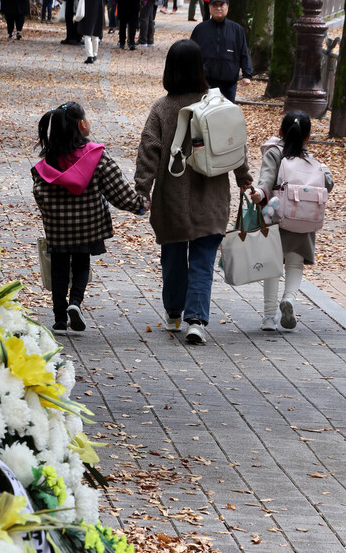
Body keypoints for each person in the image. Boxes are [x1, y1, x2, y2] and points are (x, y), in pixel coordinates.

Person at [134, 40, 252, 346]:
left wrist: (143, 190)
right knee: (202, 259)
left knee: (173, 255)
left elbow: (149, 150)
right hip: (211, 195)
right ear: (201, 68)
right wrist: (244, 178)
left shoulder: (161, 109)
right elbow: (234, 142)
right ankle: (196, 319)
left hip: (173, 196)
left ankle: (174, 312)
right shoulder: (217, 102)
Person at [32, 102, 145, 334]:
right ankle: (75, 302)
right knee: (82, 265)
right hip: (88, 226)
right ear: (82, 125)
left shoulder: (50, 160)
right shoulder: (96, 156)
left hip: (58, 229)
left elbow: (39, 193)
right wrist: (140, 205)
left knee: (59, 269)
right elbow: (117, 190)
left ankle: (59, 320)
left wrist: (51, 213)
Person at [250, 111, 334, 332]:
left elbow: (266, 180)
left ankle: (269, 318)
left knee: (272, 265)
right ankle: (289, 299)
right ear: (308, 137)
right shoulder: (312, 160)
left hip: (276, 216)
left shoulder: (274, 153)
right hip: (304, 219)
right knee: (295, 263)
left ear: (280, 132)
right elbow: (328, 184)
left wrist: (259, 194)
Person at [190, 0, 252, 101]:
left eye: (221, 5)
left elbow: (244, 52)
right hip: (205, 82)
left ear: (227, 6)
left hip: (229, 82)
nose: (218, 8)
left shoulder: (237, 30)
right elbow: (191, 53)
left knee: (226, 114)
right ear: (209, 7)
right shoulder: (200, 29)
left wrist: (247, 75)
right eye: (215, 5)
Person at [77, 0, 108, 64]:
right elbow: (106, 0)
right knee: (96, 35)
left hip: (87, 12)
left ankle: (89, 55)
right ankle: (95, 54)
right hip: (99, 13)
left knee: (87, 35)